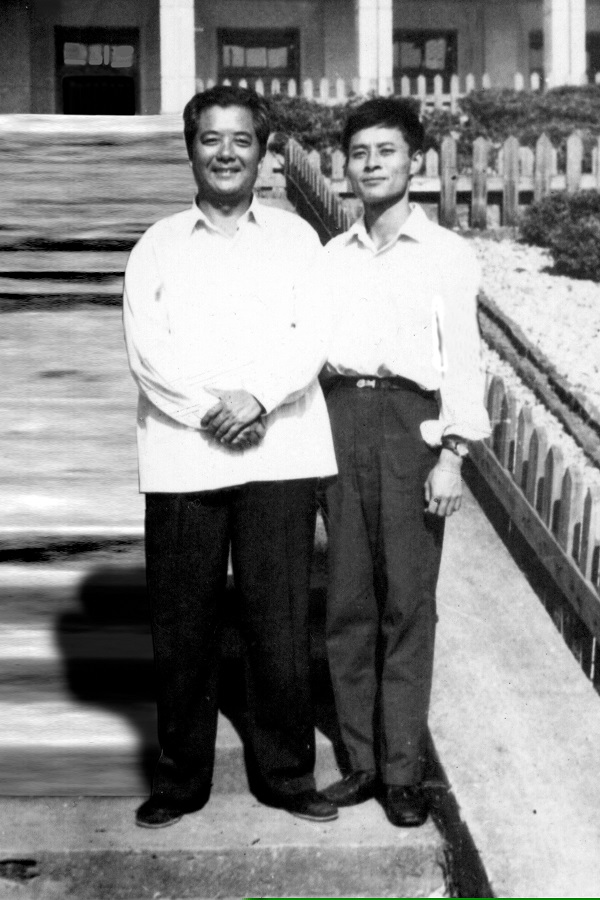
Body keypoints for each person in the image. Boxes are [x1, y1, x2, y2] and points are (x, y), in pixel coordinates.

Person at [123, 85, 338, 828]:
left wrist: (259, 400)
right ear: (190, 149)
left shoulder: (296, 240)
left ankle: (287, 774)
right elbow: (147, 352)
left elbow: (313, 334)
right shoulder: (156, 245)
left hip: (279, 454)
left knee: (279, 621)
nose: (226, 153)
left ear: (263, 152)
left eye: (241, 140)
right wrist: (211, 414)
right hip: (183, 457)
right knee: (183, 623)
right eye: (211, 138)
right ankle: (180, 779)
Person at [320, 98, 491, 827]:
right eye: (359, 152)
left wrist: (453, 454)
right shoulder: (332, 256)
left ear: (414, 161)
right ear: (346, 164)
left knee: (408, 604)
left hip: (410, 427)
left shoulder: (446, 253)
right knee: (348, 601)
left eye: (386, 151)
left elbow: (463, 361)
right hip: (340, 420)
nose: (372, 164)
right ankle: (360, 763)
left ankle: (402, 772)